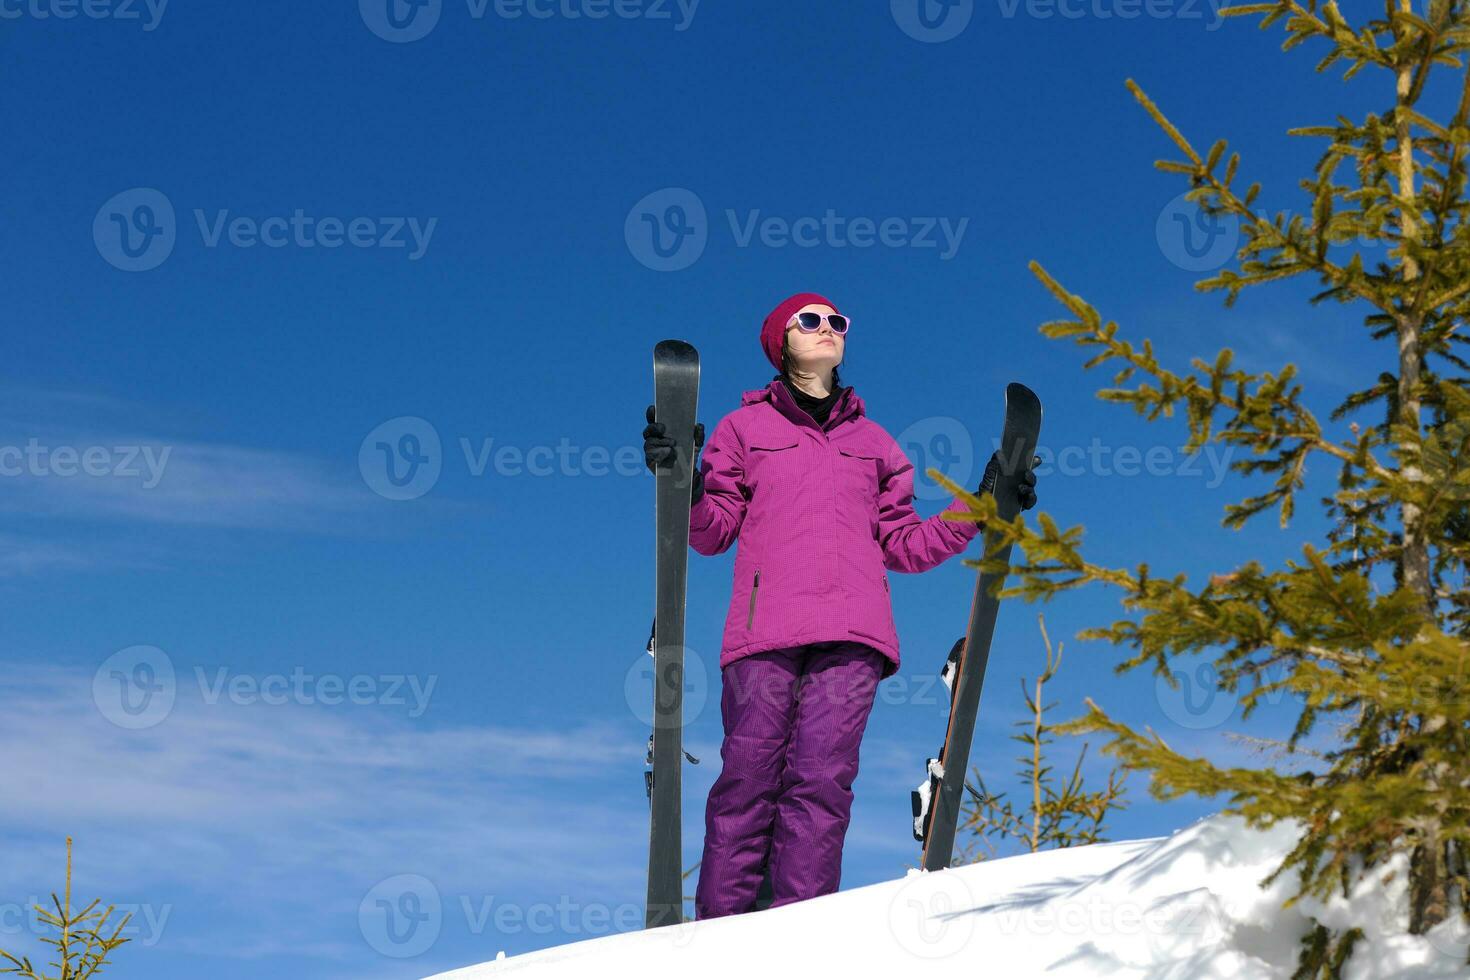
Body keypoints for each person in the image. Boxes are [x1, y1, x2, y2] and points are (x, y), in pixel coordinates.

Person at [641, 291, 1038, 919]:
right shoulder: (743, 429)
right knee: (747, 781)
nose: (827, 328)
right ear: (781, 343)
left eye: (837, 322)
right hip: (763, 632)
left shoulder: (876, 444)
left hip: (854, 634)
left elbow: (906, 544)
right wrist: (682, 481)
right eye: (810, 321)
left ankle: (802, 932)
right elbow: (712, 531)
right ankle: (720, 936)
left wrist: (980, 508)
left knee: (821, 787)